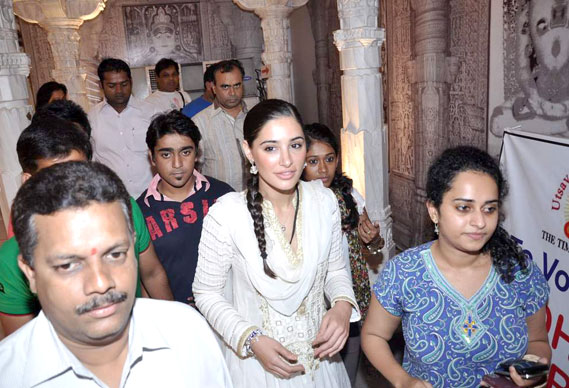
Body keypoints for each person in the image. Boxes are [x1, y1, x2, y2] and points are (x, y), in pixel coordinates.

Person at [0, 161, 232, 388]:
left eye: (114, 255)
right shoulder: (1, 378)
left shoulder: (189, 333)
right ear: (30, 272)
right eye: (69, 265)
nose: (101, 283)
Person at [193, 99, 360, 387]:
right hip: (256, 368)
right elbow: (206, 292)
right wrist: (251, 339)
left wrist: (343, 306)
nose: (286, 160)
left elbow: (335, 270)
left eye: (295, 145)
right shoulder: (226, 214)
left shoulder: (324, 201)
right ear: (249, 151)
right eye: (271, 148)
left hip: (320, 363)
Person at [361, 146, 550, 388]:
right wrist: (402, 380)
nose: (480, 222)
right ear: (433, 210)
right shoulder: (404, 273)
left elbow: (538, 341)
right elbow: (373, 335)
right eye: (464, 208)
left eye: (489, 208)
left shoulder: (520, 272)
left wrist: (531, 370)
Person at [0, 116, 173, 336]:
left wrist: (172, 329)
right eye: (67, 265)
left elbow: (152, 273)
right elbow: (20, 346)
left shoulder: (125, 210)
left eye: (80, 170)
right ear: (28, 181)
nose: (74, 186)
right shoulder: (11, 258)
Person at [302, 122, 383, 385]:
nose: (323, 169)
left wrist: (372, 239)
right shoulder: (295, 200)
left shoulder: (350, 195)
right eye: (313, 161)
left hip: (350, 291)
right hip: (311, 295)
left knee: (347, 367)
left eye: (329, 159)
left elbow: (371, 245)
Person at [137, 110, 233, 305]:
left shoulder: (224, 196)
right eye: (166, 154)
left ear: (197, 153)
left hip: (229, 313)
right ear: (152, 158)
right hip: (175, 318)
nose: (177, 164)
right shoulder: (139, 211)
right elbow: (145, 278)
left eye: (186, 152)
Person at [89, 58, 157, 197]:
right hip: (112, 199)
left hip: (150, 197)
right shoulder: (91, 118)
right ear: (101, 86)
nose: (119, 90)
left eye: (124, 84)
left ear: (131, 82)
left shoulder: (151, 113)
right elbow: (90, 161)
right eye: (112, 86)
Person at [192, 59, 247, 191]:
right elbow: (193, 170)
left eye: (237, 85)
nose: (232, 92)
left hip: (254, 201)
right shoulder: (199, 123)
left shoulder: (255, 118)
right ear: (214, 88)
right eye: (225, 87)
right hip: (217, 202)